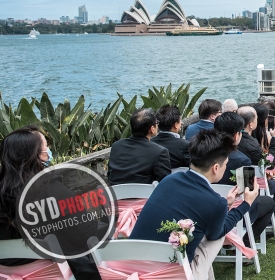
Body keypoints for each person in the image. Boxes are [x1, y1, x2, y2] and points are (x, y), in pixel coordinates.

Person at [130, 130, 257, 280]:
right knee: (216, 238)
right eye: (225, 165)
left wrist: (226, 204)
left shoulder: (169, 180)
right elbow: (216, 233)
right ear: (216, 168)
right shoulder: (215, 202)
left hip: (134, 264)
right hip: (172, 273)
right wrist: (246, 204)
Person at [0, 127, 102, 279]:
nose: (49, 150)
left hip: (7, 270)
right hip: (53, 272)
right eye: (46, 146)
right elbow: (87, 233)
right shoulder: (51, 190)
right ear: (35, 156)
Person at [213, 113, 275, 246]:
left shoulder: (204, 153)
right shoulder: (242, 159)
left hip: (209, 204)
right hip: (235, 209)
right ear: (236, 135)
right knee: (269, 203)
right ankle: (245, 243)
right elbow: (249, 190)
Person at [237, 106, 275, 216]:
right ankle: (270, 220)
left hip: (234, 186)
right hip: (250, 185)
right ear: (251, 124)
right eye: (256, 119)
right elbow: (269, 164)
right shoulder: (251, 144)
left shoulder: (234, 139)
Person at [107, 108, 171, 185]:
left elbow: (110, 175)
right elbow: (166, 182)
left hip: (116, 195)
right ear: (152, 129)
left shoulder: (116, 146)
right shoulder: (159, 151)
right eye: (156, 122)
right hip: (144, 195)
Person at [152, 104, 190, 169]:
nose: (182, 123)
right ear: (175, 125)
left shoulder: (150, 142)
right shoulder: (185, 145)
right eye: (180, 121)